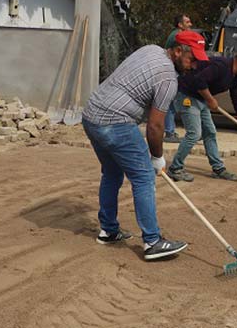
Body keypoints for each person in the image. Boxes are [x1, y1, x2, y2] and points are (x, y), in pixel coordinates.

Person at [81, 30, 208, 260]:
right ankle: (152, 242)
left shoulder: (150, 49)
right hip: (115, 122)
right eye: (192, 59)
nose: (194, 66)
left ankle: (108, 230)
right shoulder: (169, 78)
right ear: (178, 51)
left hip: (92, 115)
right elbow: (155, 126)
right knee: (143, 177)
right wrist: (157, 157)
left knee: (111, 173)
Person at [167, 50, 237, 182]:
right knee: (194, 133)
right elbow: (199, 81)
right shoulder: (221, 66)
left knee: (210, 132)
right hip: (186, 94)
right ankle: (175, 168)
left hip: (201, 98)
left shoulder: (234, 78)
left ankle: (218, 169)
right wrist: (210, 99)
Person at [162, 14, 193, 143]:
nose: (190, 24)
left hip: (176, 71)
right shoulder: (178, 36)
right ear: (180, 25)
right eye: (187, 22)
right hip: (173, 71)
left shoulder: (179, 34)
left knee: (174, 102)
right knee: (171, 102)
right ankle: (169, 132)